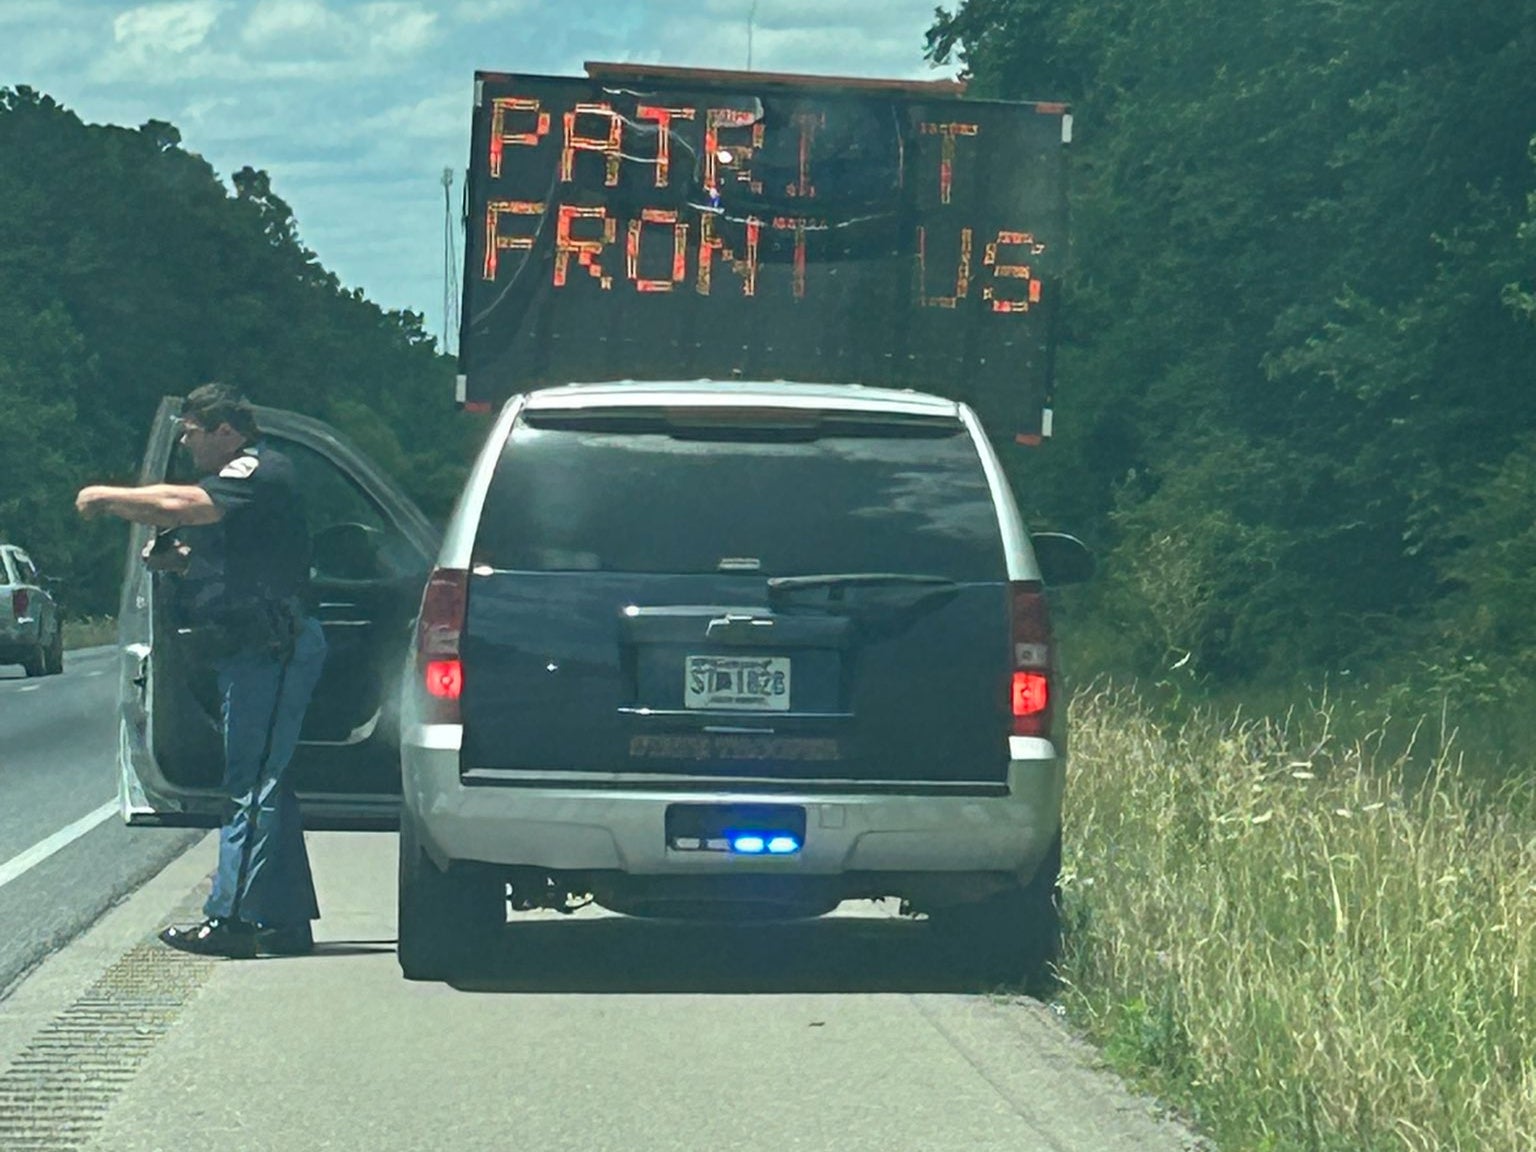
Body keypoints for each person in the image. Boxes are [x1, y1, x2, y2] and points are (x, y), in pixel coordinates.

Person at [76, 383, 328, 957]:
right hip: (253, 647)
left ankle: (233, 921)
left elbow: (183, 504)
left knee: (252, 785)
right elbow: (227, 548)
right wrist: (182, 561)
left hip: (273, 648)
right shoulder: (242, 484)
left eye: (191, 432)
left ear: (225, 430)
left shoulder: (260, 470)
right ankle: (282, 920)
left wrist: (106, 497)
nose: (187, 443)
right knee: (266, 781)